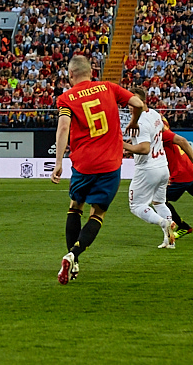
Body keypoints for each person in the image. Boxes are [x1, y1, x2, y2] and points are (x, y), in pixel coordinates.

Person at [51, 55, 144, 285]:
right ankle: (73, 255)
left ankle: (74, 263)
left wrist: (59, 162)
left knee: (75, 207)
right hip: (109, 164)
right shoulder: (109, 87)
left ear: (70, 75)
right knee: (98, 214)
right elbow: (138, 103)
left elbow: (63, 128)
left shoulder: (66, 98)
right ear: (92, 72)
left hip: (83, 164)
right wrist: (134, 120)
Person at [122, 88, 176, 249]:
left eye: (134, 103)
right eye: (129, 103)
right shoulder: (155, 114)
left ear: (142, 102)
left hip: (147, 168)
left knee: (136, 206)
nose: (130, 106)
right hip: (162, 166)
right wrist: (131, 146)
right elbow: (151, 141)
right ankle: (170, 241)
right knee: (159, 202)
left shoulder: (141, 123)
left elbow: (145, 148)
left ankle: (164, 222)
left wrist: (122, 144)